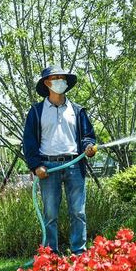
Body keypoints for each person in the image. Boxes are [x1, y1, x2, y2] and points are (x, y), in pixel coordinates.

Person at [22, 66, 97, 255]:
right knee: (50, 215)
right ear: (47, 83)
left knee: (78, 212)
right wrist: (35, 165)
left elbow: (88, 135)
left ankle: (79, 253)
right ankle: (51, 256)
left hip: (74, 165)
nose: (60, 82)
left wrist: (88, 146)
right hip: (48, 168)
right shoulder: (37, 112)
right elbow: (29, 142)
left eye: (62, 78)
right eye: (56, 78)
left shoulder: (77, 110)